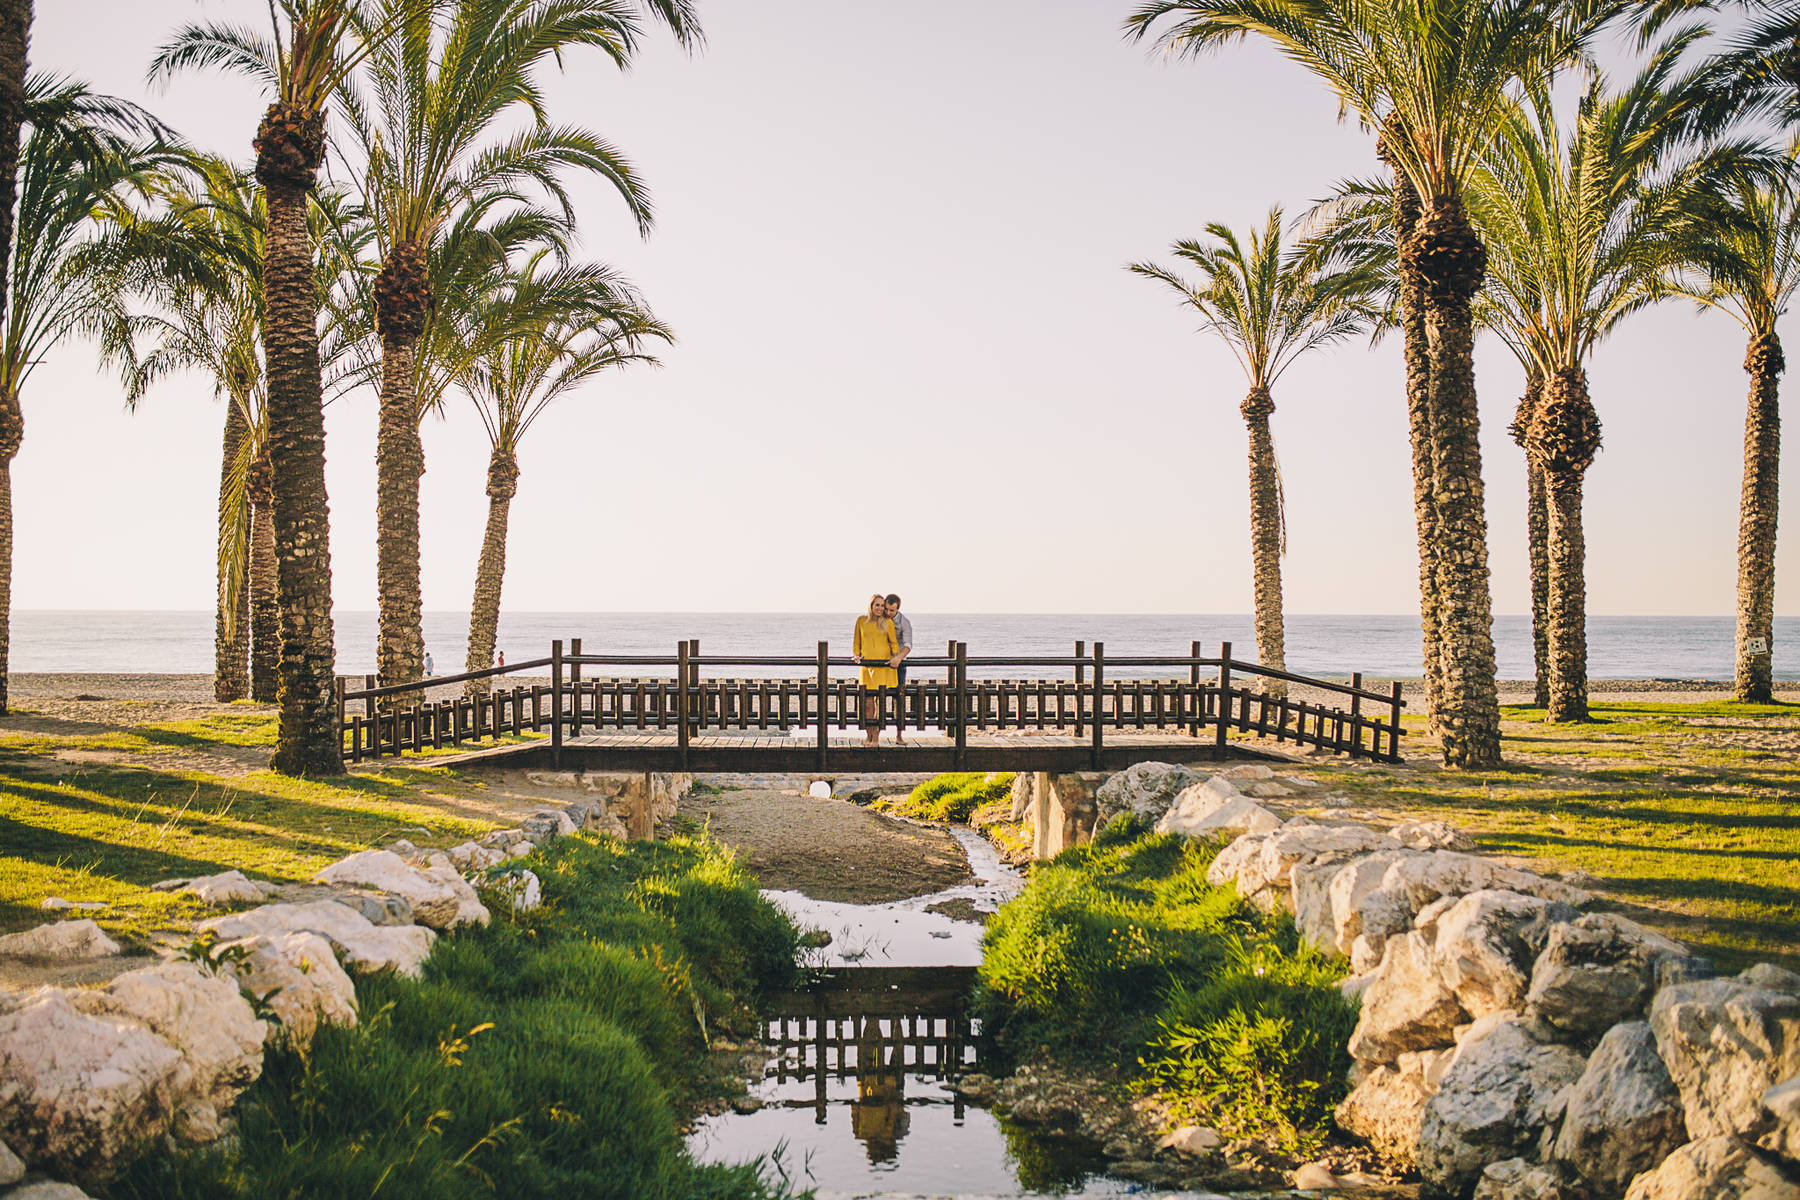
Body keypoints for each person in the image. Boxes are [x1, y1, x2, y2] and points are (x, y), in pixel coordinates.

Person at [853, 594, 898, 744]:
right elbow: (857, 642)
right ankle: (869, 734)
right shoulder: (861, 621)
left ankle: (876, 736)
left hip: (883, 667)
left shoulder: (887, 622)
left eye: (882, 606)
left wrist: (896, 657)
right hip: (866, 668)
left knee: (880, 703)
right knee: (867, 703)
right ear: (871, 606)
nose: (880, 608)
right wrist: (856, 655)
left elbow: (893, 643)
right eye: (877, 605)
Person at [884, 594, 912, 744]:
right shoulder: (879, 619)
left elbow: (908, 644)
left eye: (892, 610)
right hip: (881, 662)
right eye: (887, 609)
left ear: (898, 609)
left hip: (898, 663)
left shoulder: (904, 622)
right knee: (876, 696)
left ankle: (899, 735)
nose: (888, 613)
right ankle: (873, 734)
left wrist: (899, 658)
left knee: (898, 698)